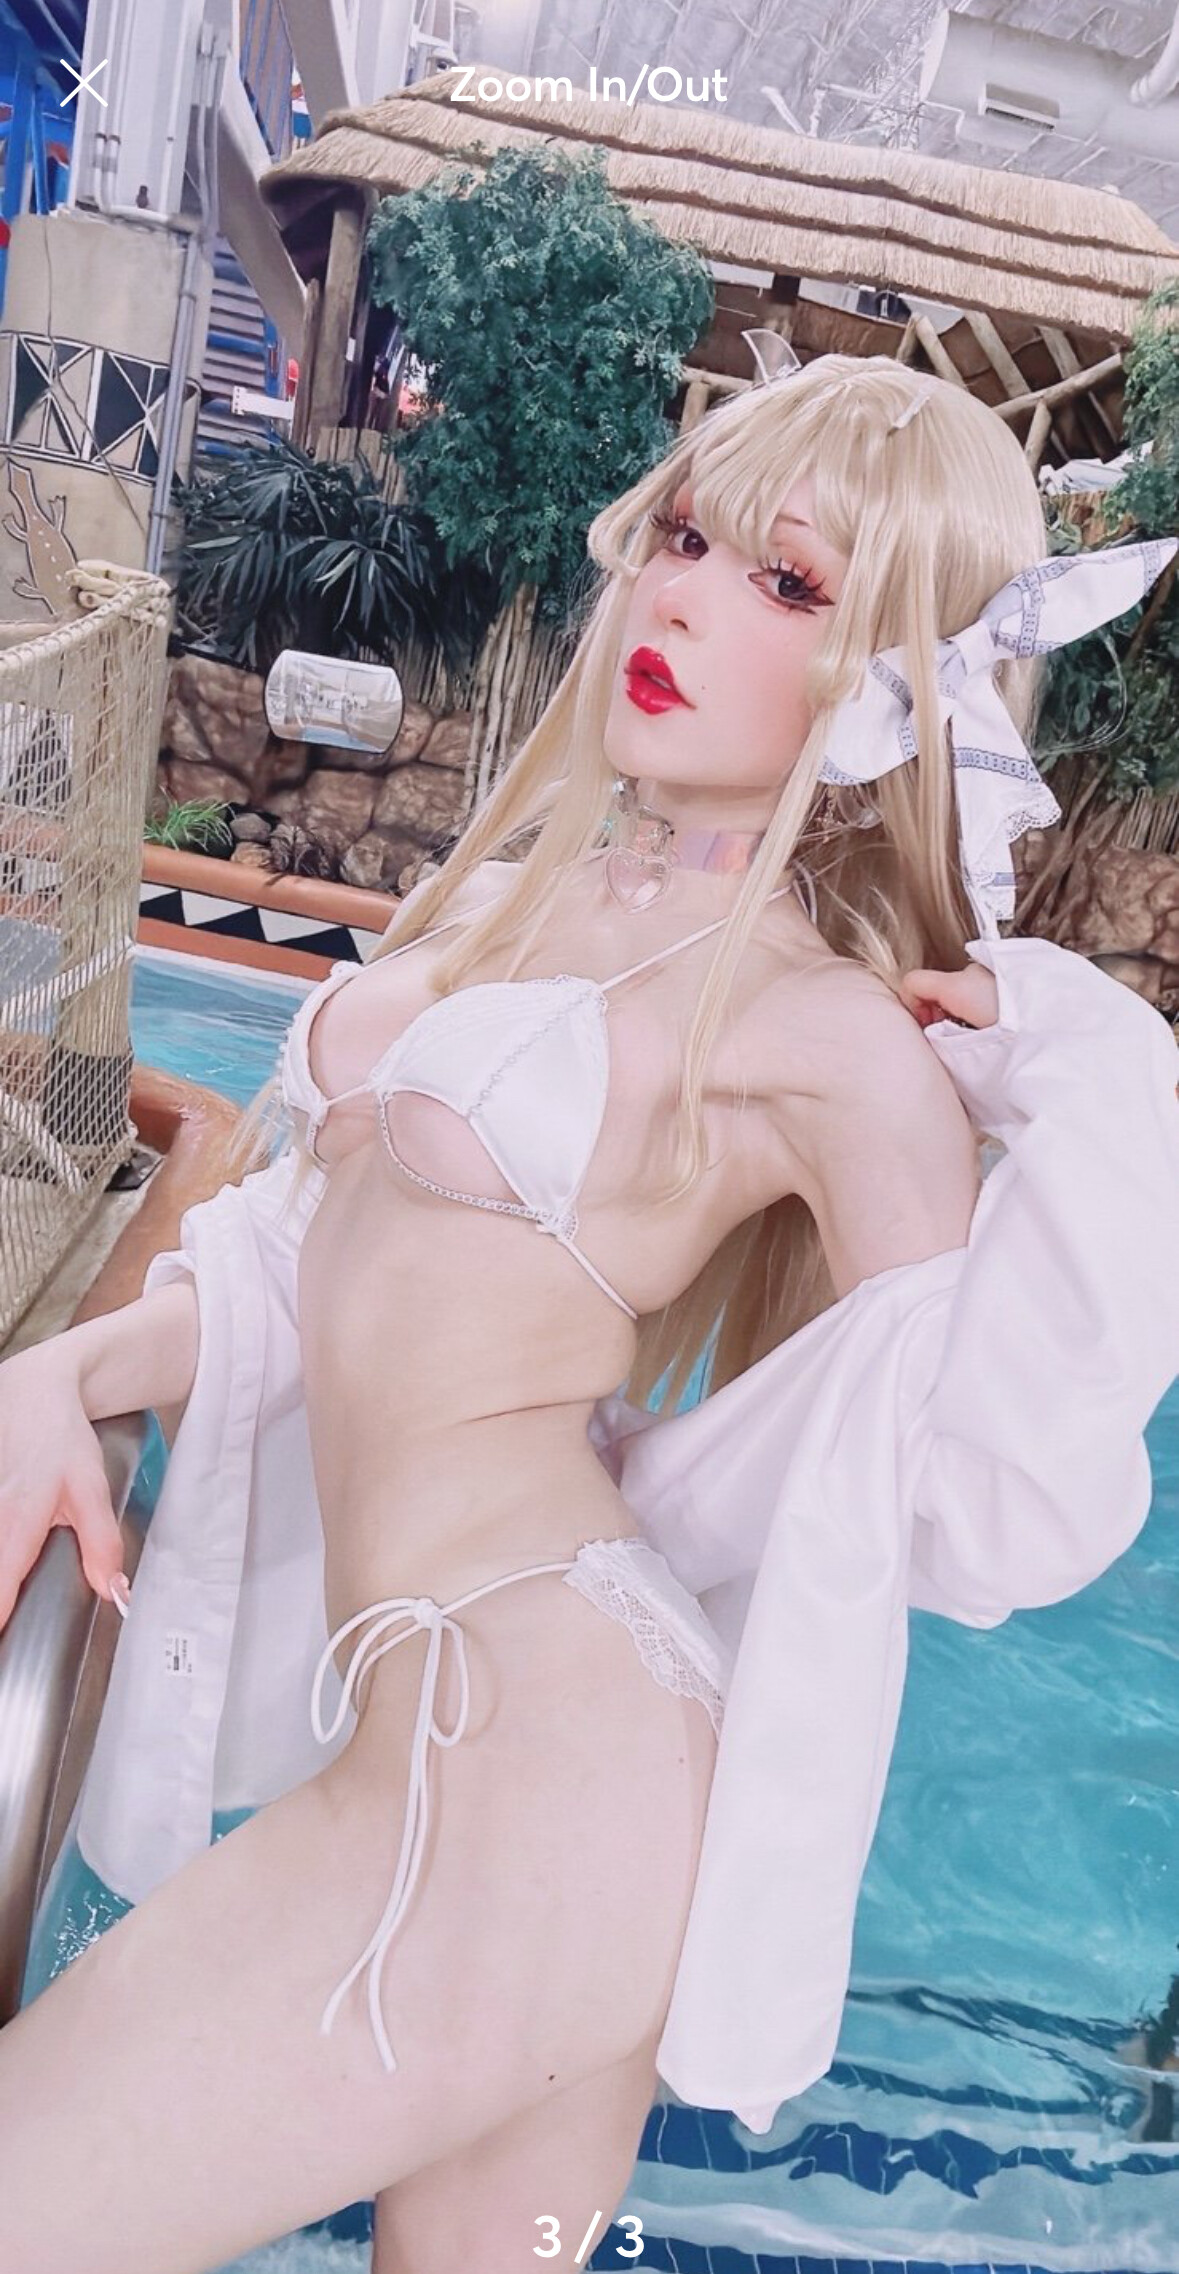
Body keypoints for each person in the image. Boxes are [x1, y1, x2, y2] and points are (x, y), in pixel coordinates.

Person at [0, 353, 1176, 2274]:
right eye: (687, 537)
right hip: (493, 1762)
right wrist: (64, 1365)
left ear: (900, 677)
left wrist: (1077, 1062)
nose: (685, 600)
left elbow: (995, 1499)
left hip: (533, 1770)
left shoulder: (816, 1031)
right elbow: (310, 1262)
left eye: (787, 582)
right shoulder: (517, 906)